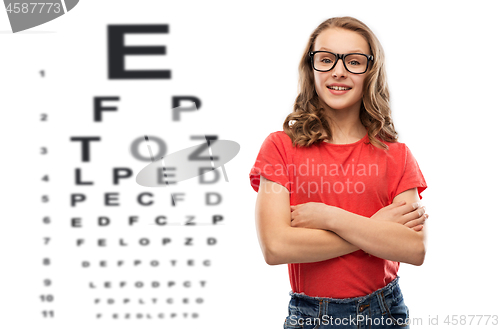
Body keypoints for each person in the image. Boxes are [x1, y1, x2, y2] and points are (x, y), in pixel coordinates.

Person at [249, 16, 428, 328]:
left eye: (354, 61)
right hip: (310, 315)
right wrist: (375, 229)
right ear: (311, 68)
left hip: (383, 311)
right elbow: (275, 247)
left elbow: (413, 248)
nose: (339, 70)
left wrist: (330, 217)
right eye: (327, 59)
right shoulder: (281, 148)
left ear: (370, 72)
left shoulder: (397, 156)